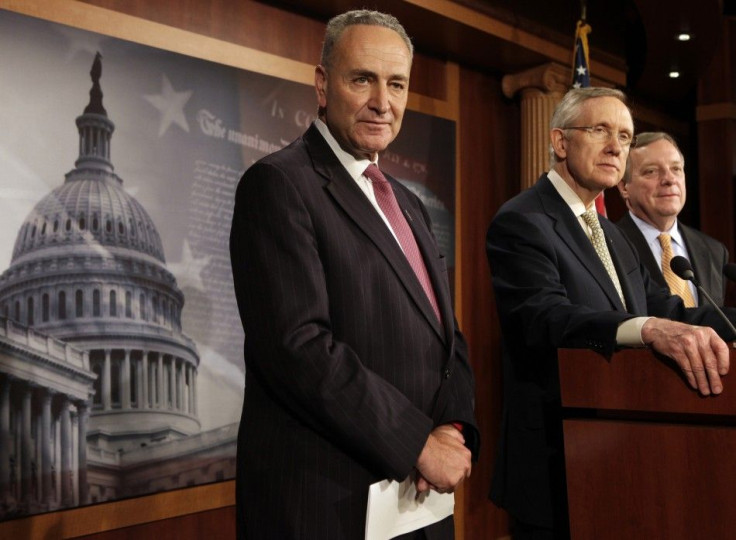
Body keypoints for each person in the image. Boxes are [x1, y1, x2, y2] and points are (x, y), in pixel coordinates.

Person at [229, 9, 478, 539]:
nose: (381, 103)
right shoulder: (278, 185)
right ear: (322, 84)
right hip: (328, 505)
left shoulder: (408, 204)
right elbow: (298, 347)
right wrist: (418, 443)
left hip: (419, 502)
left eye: (396, 84)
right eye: (361, 79)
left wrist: (454, 429)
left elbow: (445, 333)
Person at [485, 87, 736, 539]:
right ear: (560, 142)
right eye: (600, 130)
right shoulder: (523, 219)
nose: (617, 146)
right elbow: (545, 316)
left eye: (624, 135)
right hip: (557, 461)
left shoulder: (611, 233)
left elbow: (665, 308)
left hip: (623, 459)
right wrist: (646, 329)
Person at [617, 131, 730, 306]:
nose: (669, 179)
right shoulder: (610, 246)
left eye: (676, 169)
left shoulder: (714, 251)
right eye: (651, 171)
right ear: (624, 186)